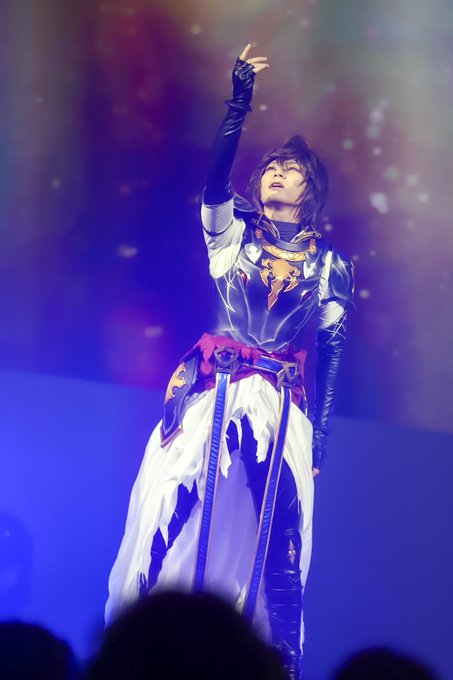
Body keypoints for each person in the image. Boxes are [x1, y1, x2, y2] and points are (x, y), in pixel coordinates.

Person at [106, 44, 354, 679]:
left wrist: (321, 439)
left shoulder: (330, 265)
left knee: (282, 542)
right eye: (271, 166)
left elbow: (331, 351)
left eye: (290, 170)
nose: (275, 174)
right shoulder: (232, 232)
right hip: (212, 388)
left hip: (281, 403)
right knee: (169, 507)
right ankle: (137, 651)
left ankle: (275, 666)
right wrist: (239, 103)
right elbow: (217, 181)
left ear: (312, 190)